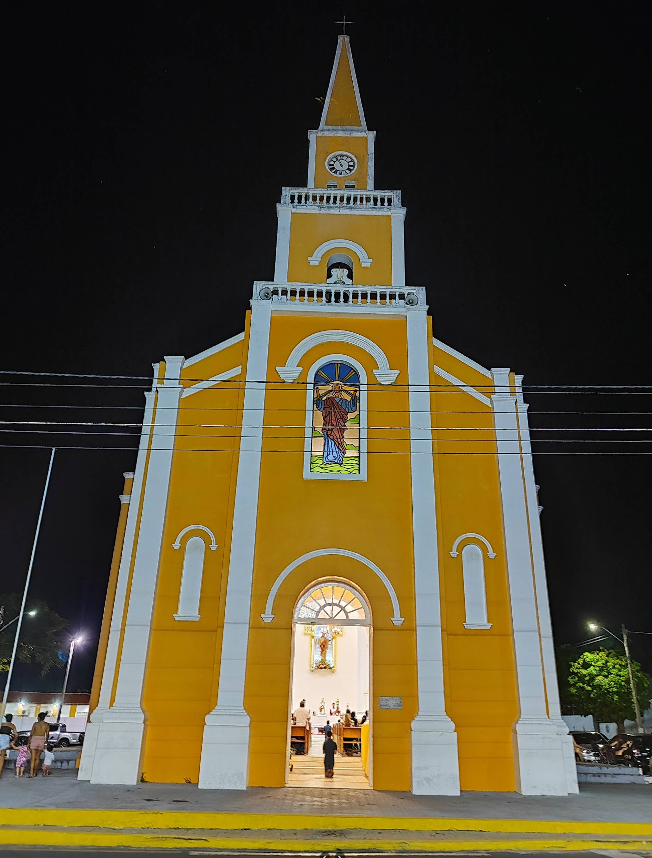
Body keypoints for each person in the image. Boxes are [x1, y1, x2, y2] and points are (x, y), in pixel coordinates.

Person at [29, 713, 50, 777]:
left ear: (39, 717)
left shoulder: (35, 724)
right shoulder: (46, 724)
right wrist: (46, 742)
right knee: (37, 758)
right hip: (42, 739)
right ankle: (35, 772)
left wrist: (29, 742)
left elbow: (32, 733)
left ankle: (31, 773)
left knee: (33, 758)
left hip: (35, 738)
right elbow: (48, 734)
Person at [0, 714, 18, 779]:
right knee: (2, 757)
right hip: (5, 738)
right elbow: (16, 734)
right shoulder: (12, 725)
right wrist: (13, 741)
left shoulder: (1, 724)